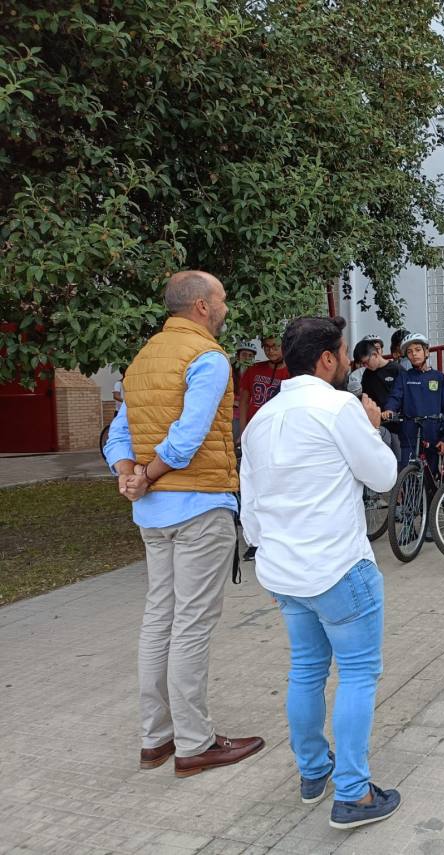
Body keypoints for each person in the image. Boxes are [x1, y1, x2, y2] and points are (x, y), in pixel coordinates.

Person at [239, 314, 399, 829]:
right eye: (346, 352)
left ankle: (313, 771)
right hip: (338, 568)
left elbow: (251, 510)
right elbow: (383, 475)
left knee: (307, 670)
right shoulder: (339, 407)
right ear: (327, 359)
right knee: (357, 673)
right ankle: (353, 793)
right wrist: (373, 428)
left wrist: (272, 562)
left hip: (284, 573)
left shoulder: (260, 420)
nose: (350, 361)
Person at [103, 270, 264, 778]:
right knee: (191, 624)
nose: (225, 307)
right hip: (198, 506)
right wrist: (147, 474)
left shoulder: (142, 360)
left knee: (159, 619)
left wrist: (129, 474)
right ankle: (195, 744)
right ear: (200, 306)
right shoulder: (207, 358)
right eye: (221, 299)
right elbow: (187, 438)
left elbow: (118, 434)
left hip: (153, 514)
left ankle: (156, 739)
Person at [381, 333, 444, 471]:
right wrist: (389, 409)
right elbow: (395, 397)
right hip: (410, 435)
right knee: (408, 476)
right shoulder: (404, 377)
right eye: (409, 351)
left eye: (418, 350)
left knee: (431, 476)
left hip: (433, 435)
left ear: (427, 352)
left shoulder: (439, 377)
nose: (414, 354)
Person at [238, 335, 289, 435]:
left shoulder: (292, 372)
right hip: (253, 427)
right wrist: (242, 432)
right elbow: (244, 402)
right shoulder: (254, 368)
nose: (270, 351)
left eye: (275, 347)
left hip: (277, 430)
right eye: (266, 347)